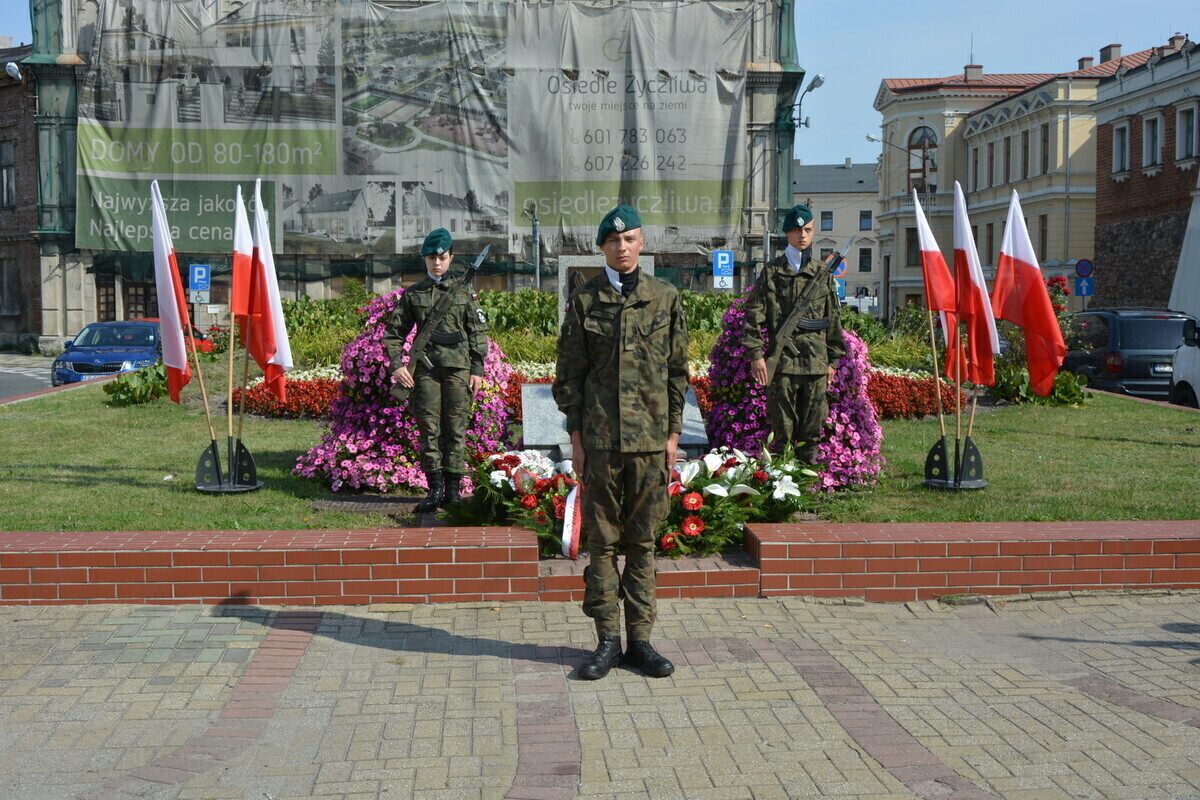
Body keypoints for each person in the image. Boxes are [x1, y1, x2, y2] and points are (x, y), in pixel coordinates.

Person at [553, 205, 689, 681]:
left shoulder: (666, 298)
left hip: (651, 441)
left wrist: (673, 434)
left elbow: (677, 373)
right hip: (602, 442)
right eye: (614, 241)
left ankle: (642, 642)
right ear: (602, 247)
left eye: (630, 238)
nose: (623, 247)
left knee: (644, 543)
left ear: (642, 241)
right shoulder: (585, 301)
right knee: (604, 543)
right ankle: (608, 640)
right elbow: (569, 375)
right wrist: (576, 438)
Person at [383, 228, 488, 512]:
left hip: (458, 371)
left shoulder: (464, 293)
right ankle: (435, 489)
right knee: (429, 428)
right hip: (426, 371)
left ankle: (453, 491)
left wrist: (477, 368)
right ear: (424, 260)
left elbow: (477, 332)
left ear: (451, 257)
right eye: (431, 257)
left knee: (456, 428)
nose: (436, 263)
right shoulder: (413, 294)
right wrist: (397, 366)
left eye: (442, 257)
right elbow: (394, 334)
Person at [742, 204, 845, 464]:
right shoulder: (772, 272)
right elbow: (754, 315)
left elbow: (832, 319)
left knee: (812, 432)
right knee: (782, 432)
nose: (803, 235)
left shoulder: (822, 274)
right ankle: (783, 490)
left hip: (815, 364)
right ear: (788, 232)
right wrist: (756, 355)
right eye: (797, 230)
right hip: (783, 366)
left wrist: (832, 361)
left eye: (808, 230)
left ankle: (806, 490)